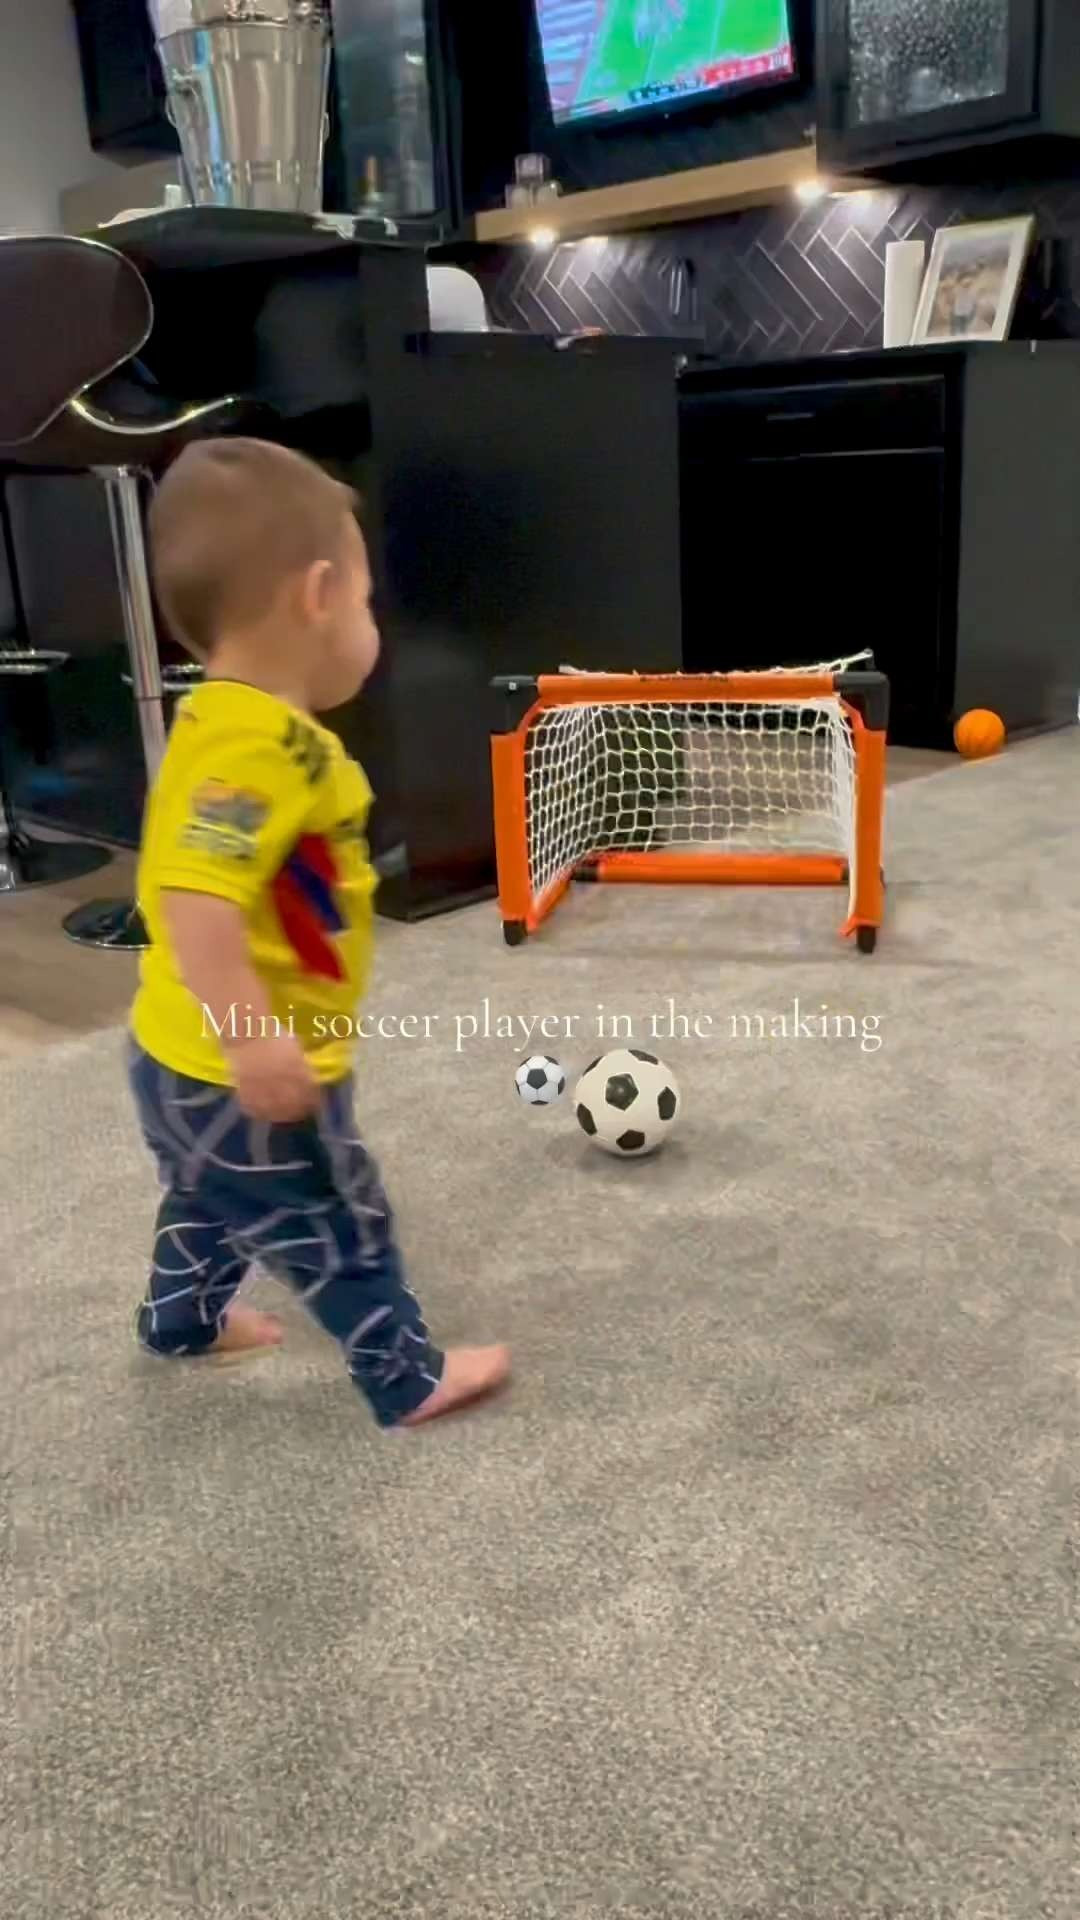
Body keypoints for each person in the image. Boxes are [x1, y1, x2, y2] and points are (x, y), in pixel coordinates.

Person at [127, 438, 510, 1428]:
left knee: (208, 1197)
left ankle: (180, 1321)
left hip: (176, 1061)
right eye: (368, 603)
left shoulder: (226, 725)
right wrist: (254, 1037)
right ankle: (407, 1376)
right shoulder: (258, 746)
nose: (370, 626)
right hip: (241, 1065)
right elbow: (197, 892)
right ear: (319, 594)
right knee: (340, 1218)